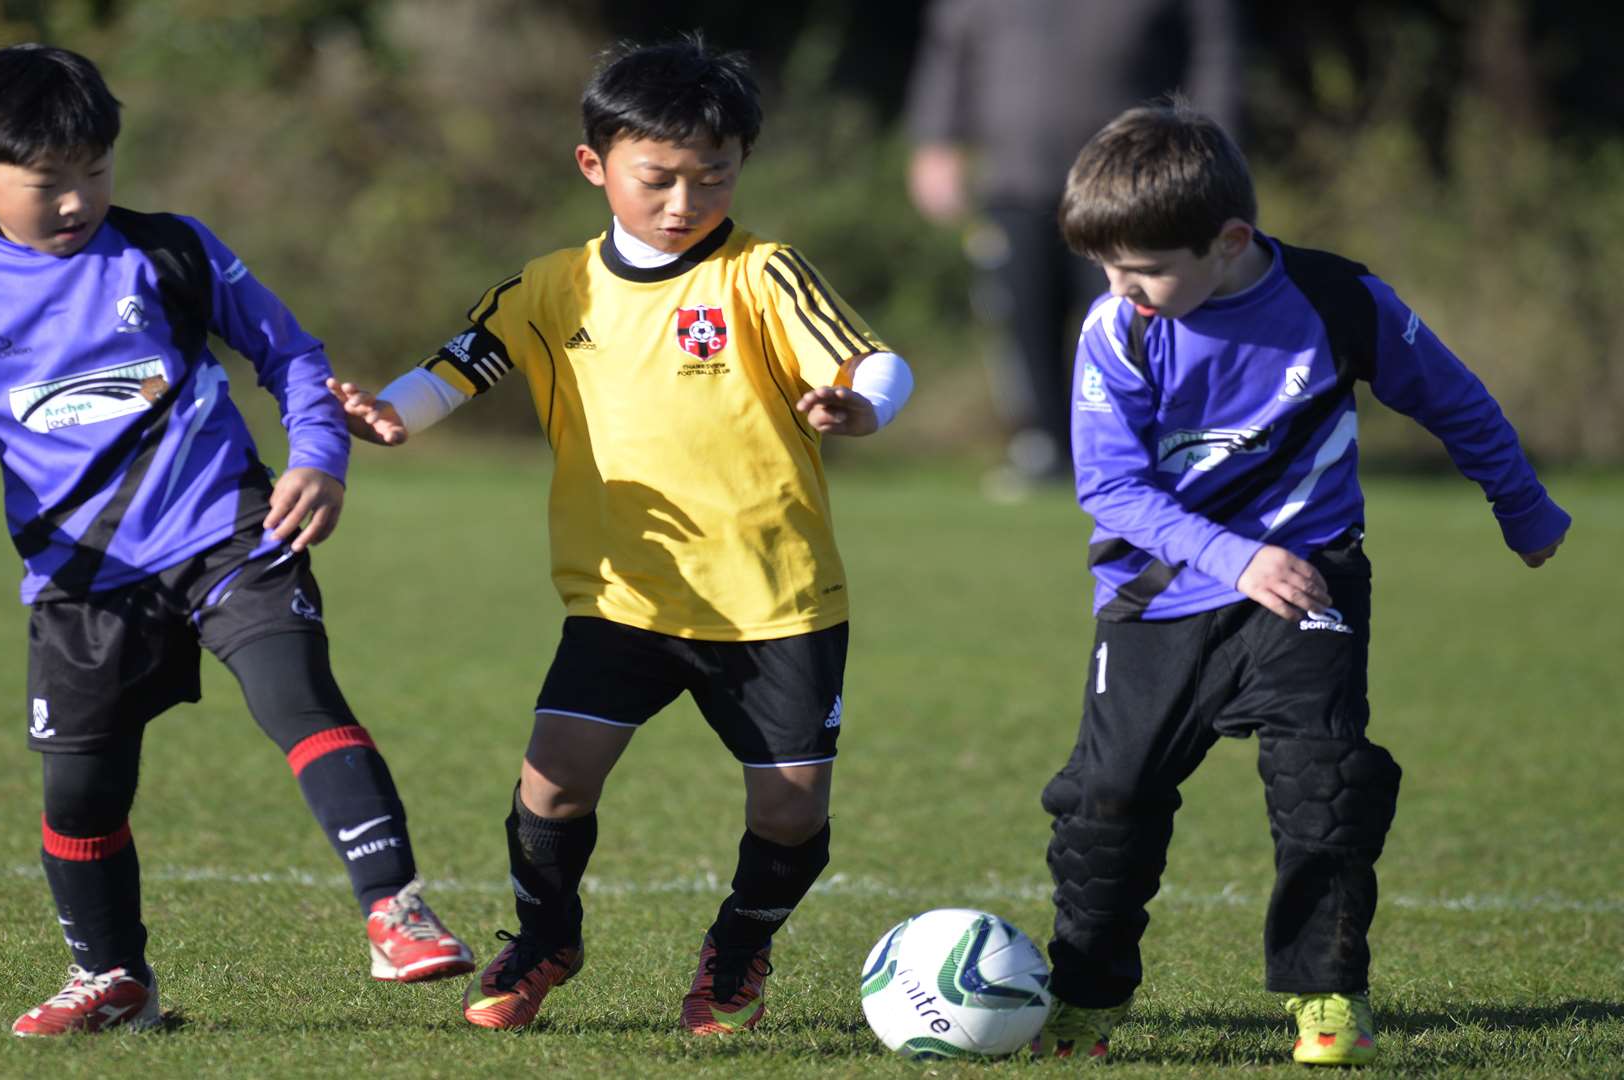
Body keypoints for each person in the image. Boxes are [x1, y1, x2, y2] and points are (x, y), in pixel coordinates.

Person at [0, 43, 473, 1037]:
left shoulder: (172, 249)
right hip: (83, 575)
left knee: (297, 695)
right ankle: (114, 980)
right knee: (80, 788)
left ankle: (395, 907)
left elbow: (289, 354)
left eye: (95, 172)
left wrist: (318, 455)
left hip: (229, 524)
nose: (77, 200)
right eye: (47, 184)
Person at [326, 34, 914, 1035]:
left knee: (791, 812)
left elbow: (876, 360)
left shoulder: (761, 274)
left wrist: (862, 405)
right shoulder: (553, 286)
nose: (685, 202)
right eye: (659, 179)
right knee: (552, 784)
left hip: (775, 598)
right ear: (595, 166)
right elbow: (459, 367)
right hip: (622, 595)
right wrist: (392, 414)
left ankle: (738, 951)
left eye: (712, 176)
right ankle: (546, 936)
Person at [1028, 100, 1571, 1066]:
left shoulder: (1339, 301)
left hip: (1312, 579)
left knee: (1324, 783)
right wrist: (1236, 557)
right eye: (1107, 271)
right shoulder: (1119, 329)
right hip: (1158, 591)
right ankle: (1085, 999)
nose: (1123, 290)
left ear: (1230, 240)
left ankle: (1327, 997)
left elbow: (1458, 400)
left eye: (1144, 270)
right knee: (1106, 797)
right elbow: (1110, 486)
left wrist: (1523, 510)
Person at [903, 0, 1238, 492]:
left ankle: (1153, 447)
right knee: (1022, 314)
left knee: (1136, 315)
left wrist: (1215, 150)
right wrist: (936, 141)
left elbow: (1216, 52)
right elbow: (950, 48)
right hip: (1017, 179)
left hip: (1135, 186)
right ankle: (1043, 446)